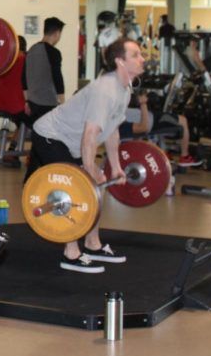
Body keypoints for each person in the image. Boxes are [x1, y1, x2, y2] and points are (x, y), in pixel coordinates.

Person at [24, 38, 145, 273]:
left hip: (72, 142)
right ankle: (71, 253)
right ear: (120, 61)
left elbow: (112, 131)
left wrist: (116, 166)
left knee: (96, 184)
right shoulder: (105, 90)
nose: (142, 59)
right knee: (77, 187)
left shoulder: (125, 88)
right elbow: (90, 135)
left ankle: (92, 243)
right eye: (136, 55)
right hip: (51, 135)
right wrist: (87, 170)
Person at [118, 93, 200, 166]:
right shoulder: (118, 123)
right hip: (152, 120)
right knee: (183, 120)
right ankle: (184, 156)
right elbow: (144, 127)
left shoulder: (112, 111)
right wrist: (143, 103)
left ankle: (165, 152)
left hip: (149, 117)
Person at [22, 17, 65, 128]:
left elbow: (23, 77)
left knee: (36, 133)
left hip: (32, 102)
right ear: (57, 33)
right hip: (48, 103)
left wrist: (27, 101)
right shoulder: (54, 52)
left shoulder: (31, 50)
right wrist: (62, 101)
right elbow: (57, 77)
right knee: (47, 135)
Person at [0, 35, 28, 154]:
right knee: (29, 119)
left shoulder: (6, 60)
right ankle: (13, 150)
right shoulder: (26, 60)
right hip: (17, 105)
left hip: (0, 102)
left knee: (21, 121)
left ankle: (9, 151)